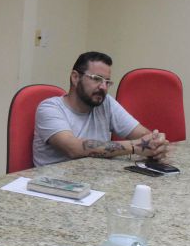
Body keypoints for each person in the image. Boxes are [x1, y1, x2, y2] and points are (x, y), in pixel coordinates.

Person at [33, 51, 169, 166]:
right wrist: (135, 146)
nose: (103, 87)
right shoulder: (49, 108)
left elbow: (141, 134)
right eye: (97, 79)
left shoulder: (105, 103)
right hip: (52, 184)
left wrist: (156, 143)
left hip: (94, 178)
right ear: (75, 77)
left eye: (107, 82)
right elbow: (73, 148)